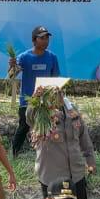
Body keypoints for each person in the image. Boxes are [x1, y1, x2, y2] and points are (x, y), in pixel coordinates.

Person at [31, 76, 96, 199]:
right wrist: (35, 101)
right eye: (54, 93)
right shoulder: (40, 113)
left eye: (60, 92)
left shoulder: (72, 110)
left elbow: (84, 138)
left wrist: (91, 161)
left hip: (76, 175)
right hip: (52, 177)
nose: (59, 95)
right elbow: (29, 116)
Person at [10, 26, 61, 156]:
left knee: (47, 128)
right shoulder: (24, 57)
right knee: (24, 127)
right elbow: (11, 76)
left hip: (46, 102)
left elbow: (56, 80)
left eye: (47, 38)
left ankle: (46, 155)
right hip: (27, 101)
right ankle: (13, 154)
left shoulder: (52, 57)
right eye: (42, 38)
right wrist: (12, 66)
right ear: (34, 40)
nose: (45, 41)